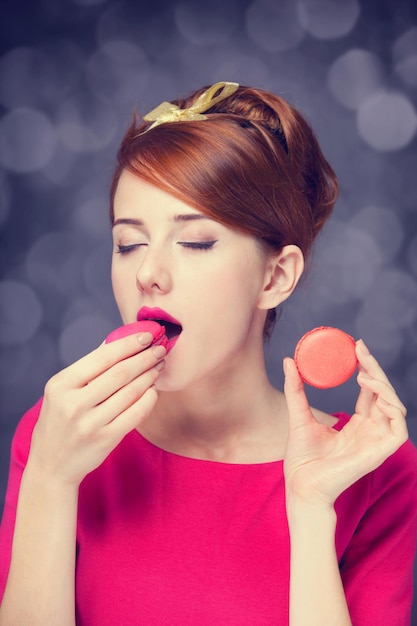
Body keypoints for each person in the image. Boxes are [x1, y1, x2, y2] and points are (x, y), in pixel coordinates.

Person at [0, 81, 416, 626]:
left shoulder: (373, 470)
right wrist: (52, 481)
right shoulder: (58, 432)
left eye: (194, 242)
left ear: (275, 276)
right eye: (129, 244)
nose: (148, 274)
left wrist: (312, 510)